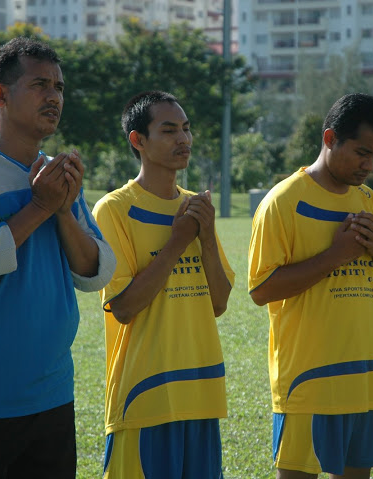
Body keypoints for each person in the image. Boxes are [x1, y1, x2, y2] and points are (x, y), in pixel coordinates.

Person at [0, 37, 115, 478]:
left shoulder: (56, 173)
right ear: (1, 95)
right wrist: (41, 207)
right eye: (40, 85)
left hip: (52, 395)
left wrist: (64, 209)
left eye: (60, 87)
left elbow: (95, 271)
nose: (54, 97)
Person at [247, 93, 373, 479]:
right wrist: (335, 255)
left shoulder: (369, 201)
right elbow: (261, 289)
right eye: (362, 152)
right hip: (308, 385)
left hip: (365, 380)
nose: (370, 165)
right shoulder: (283, 201)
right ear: (330, 138)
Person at [92, 91, 234, 478]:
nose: (183, 140)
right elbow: (122, 306)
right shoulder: (114, 209)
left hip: (202, 394)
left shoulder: (195, 206)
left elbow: (218, 303)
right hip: (145, 398)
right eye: (169, 130)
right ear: (138, 140)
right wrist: (177, 241)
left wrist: (205, 236)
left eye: (186, 129)